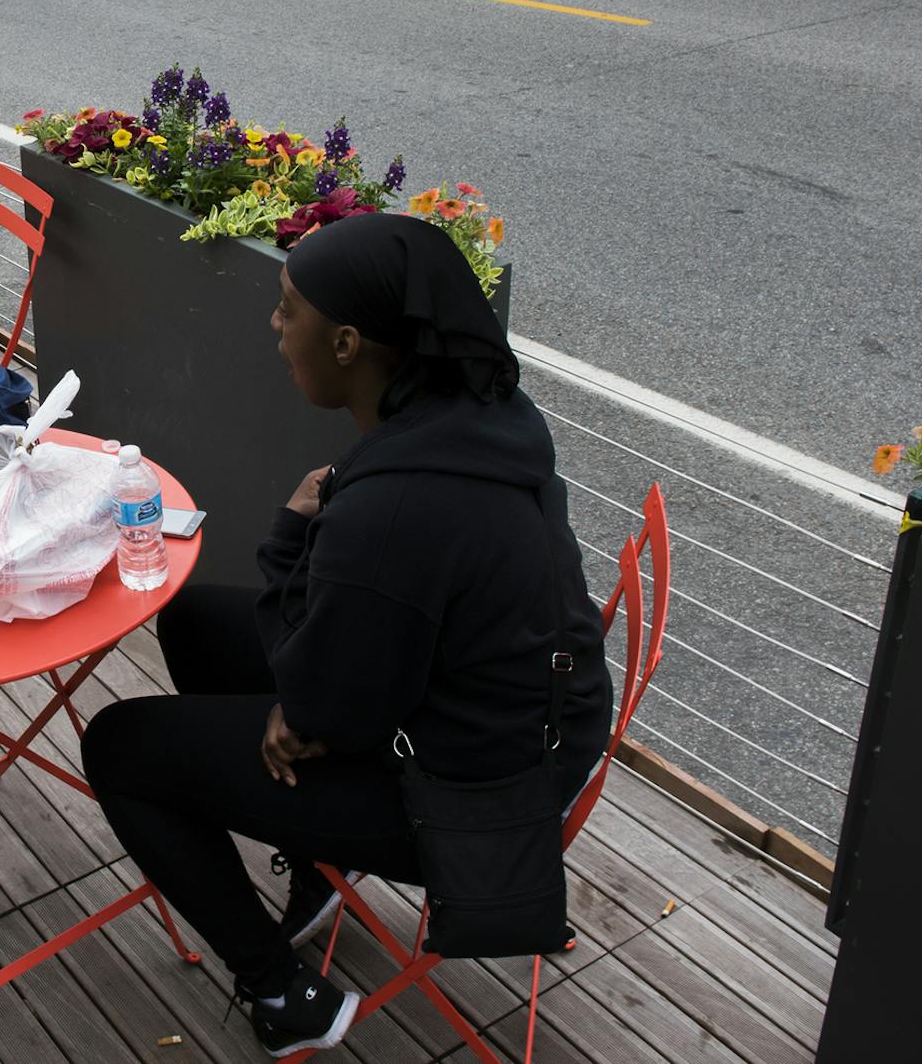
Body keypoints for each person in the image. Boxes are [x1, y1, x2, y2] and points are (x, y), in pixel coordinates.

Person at [80, 215, 612, 1059]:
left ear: (348, 343)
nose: (275, 326)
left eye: (289, 310)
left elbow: (331, 692)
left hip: (473, 792)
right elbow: (363, 643)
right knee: (192, 618)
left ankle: (278, 988)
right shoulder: (480, 414)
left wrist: (292, 561)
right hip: (521, 715)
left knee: (117, 744)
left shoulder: (392, 508)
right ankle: (317, 855)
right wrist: (308, 700)